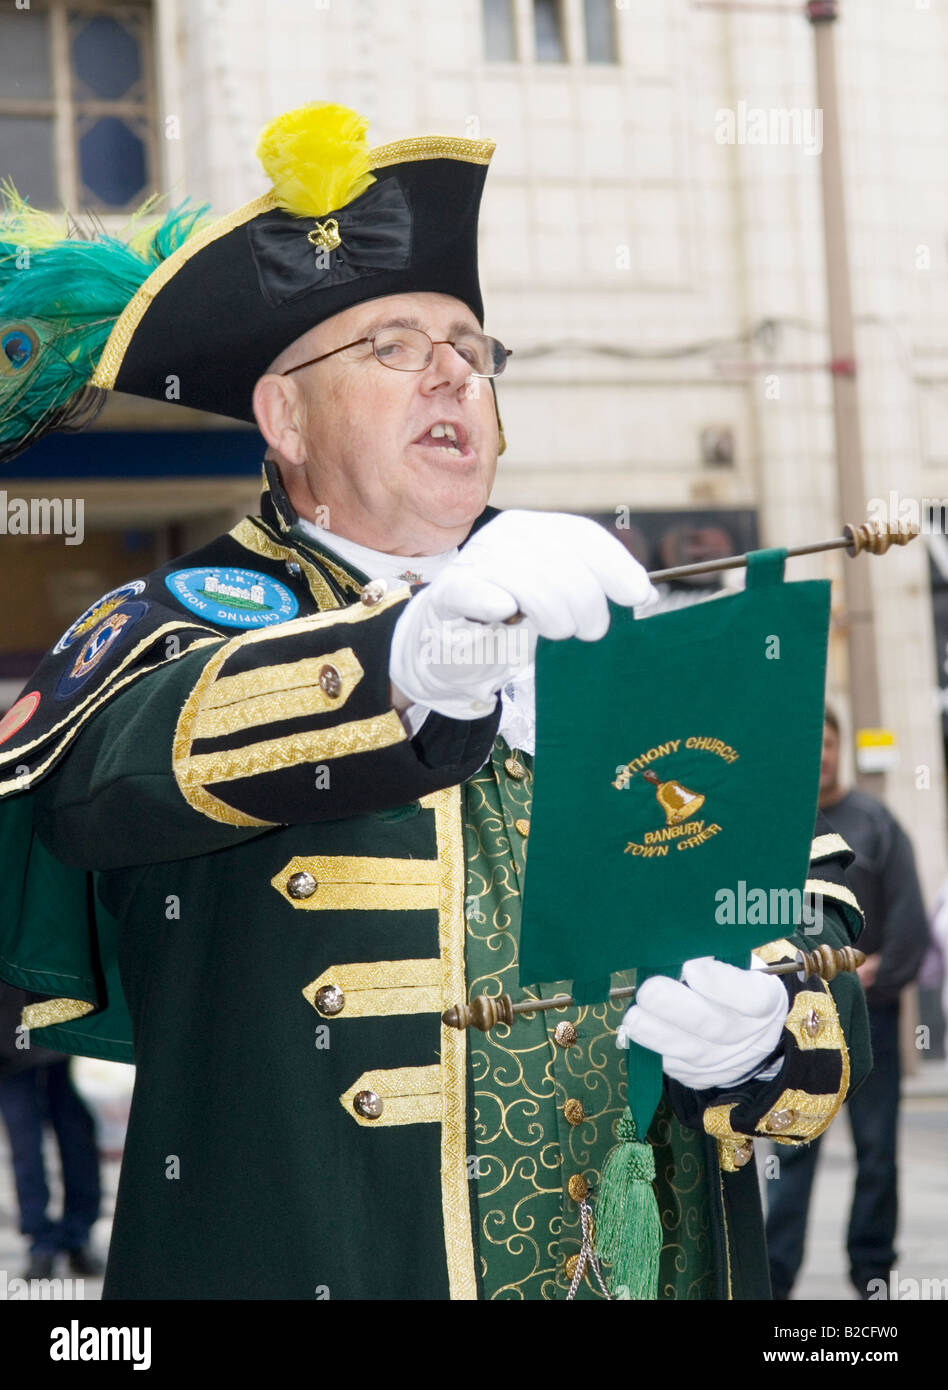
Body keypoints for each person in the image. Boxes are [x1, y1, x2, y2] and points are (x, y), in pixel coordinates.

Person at [0, 101, 869, 1300]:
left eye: (469, 344)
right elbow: (94, 784)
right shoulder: (171, 627)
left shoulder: (602, 610)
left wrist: (768, 1029)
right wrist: (406, 659)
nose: (453, 366)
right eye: (394, 345)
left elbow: (796, 893)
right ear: (284, 415)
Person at [766, 707, 930, 1300]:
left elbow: (911, 918)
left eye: (831, 744)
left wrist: (871, 973)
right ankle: (775, 1275)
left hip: (874, 1020)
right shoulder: (783, 828)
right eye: (814, 745)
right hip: (796, 1022)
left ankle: (872, 1272)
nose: (824, 756)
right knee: (791, 1149)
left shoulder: (876, 822)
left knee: (878, 1152)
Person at [0, 982, 102, 1278]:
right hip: (25, 1034)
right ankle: (50, 1240)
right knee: (30, 1143)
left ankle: (70, 1238)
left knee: (67, 1136)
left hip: (46, 1022)